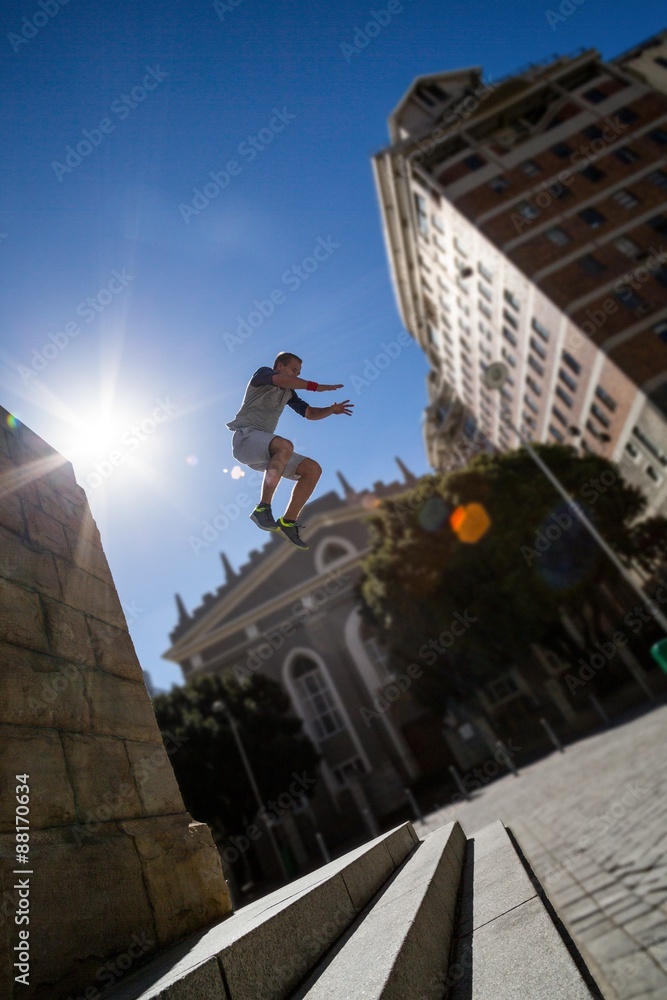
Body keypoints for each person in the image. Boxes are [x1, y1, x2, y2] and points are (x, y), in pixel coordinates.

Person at [226, 352, 353, 549]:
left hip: (266, 451)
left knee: (312, 469)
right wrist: (316, 387)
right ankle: (263, 508)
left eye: (299, 372)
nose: (296, 375)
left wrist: (330, 409)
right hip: (246, 438)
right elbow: (282, 380)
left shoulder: (289, 394)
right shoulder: (263, 374)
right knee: (285, 445)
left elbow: (309, 413)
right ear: (279, 366)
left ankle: (288, 522)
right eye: (294, 370)